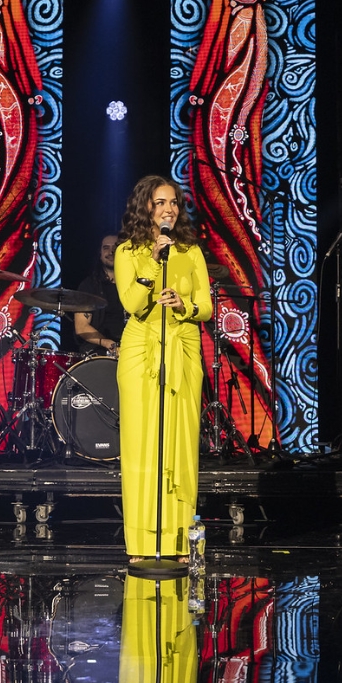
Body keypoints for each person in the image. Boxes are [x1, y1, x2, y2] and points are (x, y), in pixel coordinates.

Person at [114, 176, 213, 563]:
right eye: (159, 203)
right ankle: (141, 544)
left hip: (183, 345)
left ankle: (178, 541)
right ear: (145, 208)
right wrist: (153, 263)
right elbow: (133, 303)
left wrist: (184, 306)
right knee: (141, 448)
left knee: (180, 445)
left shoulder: (192, 251)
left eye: (173, 202)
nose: (168, 209)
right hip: (142, 348)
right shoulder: (128, 252)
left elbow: (205, 305)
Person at [73, 233, 126, 357]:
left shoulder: (132, 283)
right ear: (100, 253)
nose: (111, 252)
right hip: (99, 351)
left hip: (131, 348)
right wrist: (109, 344)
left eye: (115, 247)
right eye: (106, 248)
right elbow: (81, 327)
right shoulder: (89, 285)